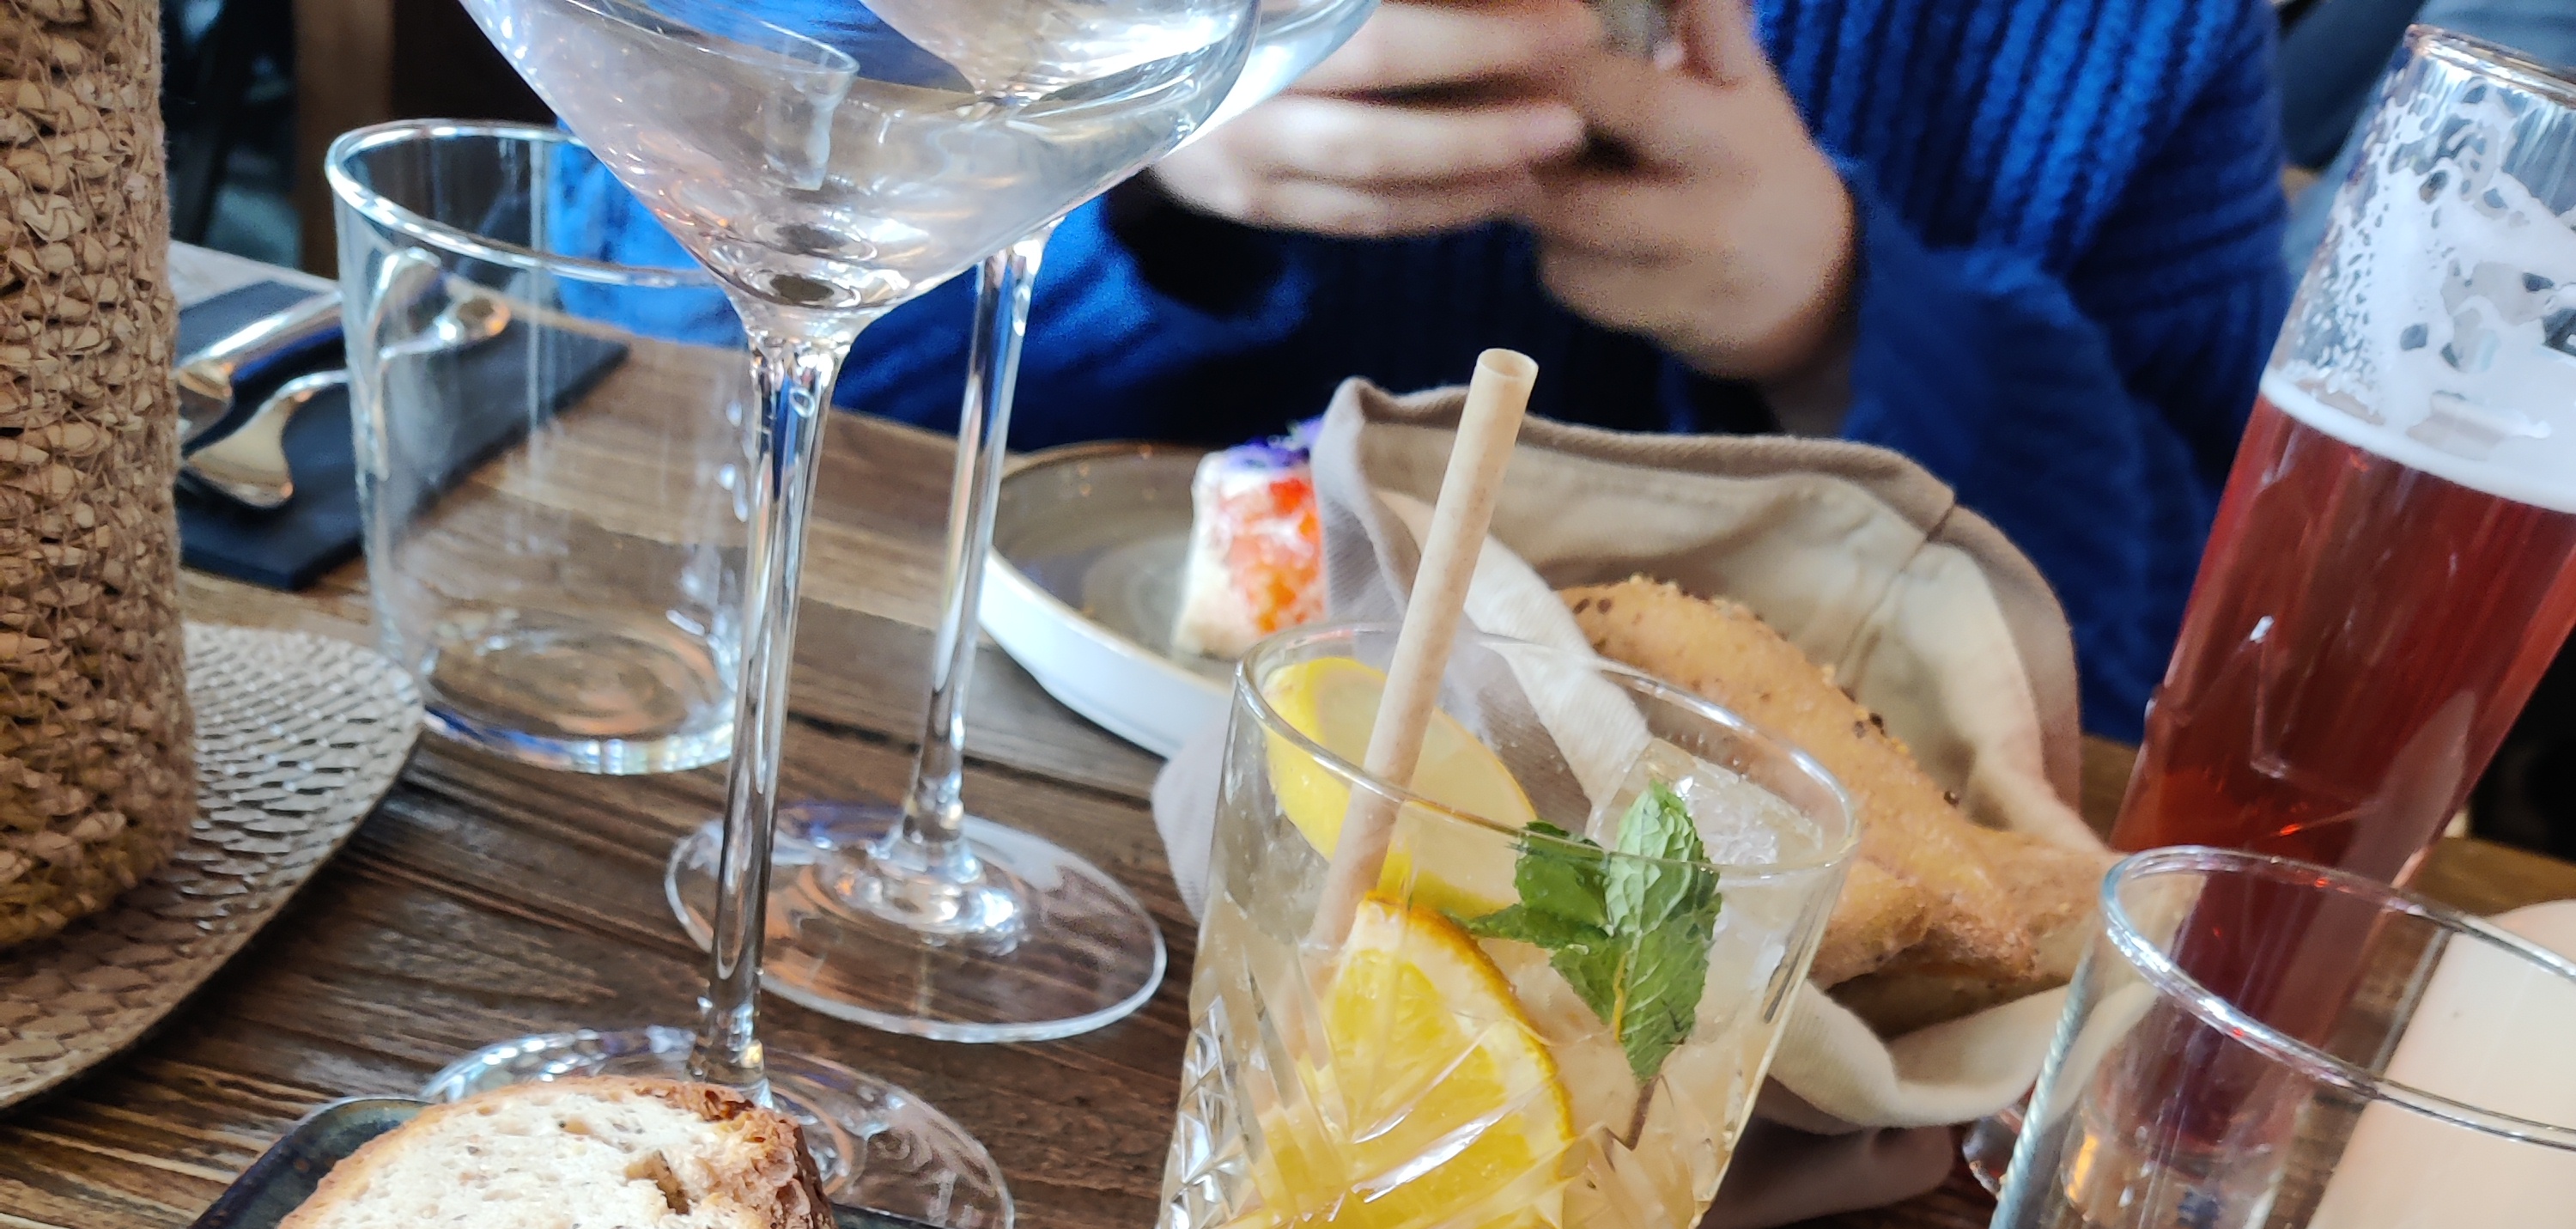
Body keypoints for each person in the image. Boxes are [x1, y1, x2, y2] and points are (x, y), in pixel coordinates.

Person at [837, 0, 2291, 733]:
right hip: (974, 752)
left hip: (1699, 964)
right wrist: (1117, 162)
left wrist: (1843, 315)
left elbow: (2197, 683)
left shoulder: (2133, 38)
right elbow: (724, 337)